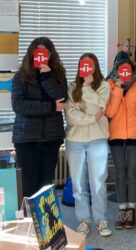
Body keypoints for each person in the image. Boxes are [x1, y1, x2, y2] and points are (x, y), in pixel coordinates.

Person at [12, 37, 67, 197]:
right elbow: (20, 106)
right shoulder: (20, 77)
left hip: (51, 138)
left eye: (45, 53)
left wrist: (46, 78)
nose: (42, 56)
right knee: (28, 187)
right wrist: (51, 107)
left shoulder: (58, 75)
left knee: (46, 185)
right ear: (31, 54)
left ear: (51, 55)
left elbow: (62, 100)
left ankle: (46, 222)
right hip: (27, 139)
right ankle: (30, 222)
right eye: (38, 53)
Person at [65, 53, 111, 237]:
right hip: (74, 141)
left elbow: (100, 107)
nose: (85, 69)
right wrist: (92, 118)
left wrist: (87, 89)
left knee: (98, 183)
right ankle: (84, 220)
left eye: (89, 65)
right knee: (78, 184)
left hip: (98, 140)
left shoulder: (104, 86)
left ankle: (101, 220)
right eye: (83, 65)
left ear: (95, 67)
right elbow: (70, 116)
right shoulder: (71, 87)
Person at [105, 59, 136, 230]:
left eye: (128, 71)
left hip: (134, 137)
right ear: (116, 72)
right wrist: (118, 88)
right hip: (115, 136)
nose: (125, 74)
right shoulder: (109, 87)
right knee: (119, 174)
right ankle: (122, 209)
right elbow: (109, 111)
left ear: (132, 72)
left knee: (132, 173)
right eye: (121, 71)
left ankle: (131, 210)